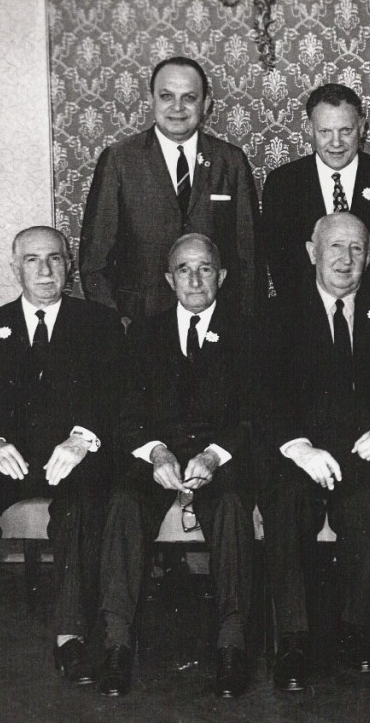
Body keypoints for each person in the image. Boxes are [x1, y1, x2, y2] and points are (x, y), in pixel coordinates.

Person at [0, 227, 122, 690]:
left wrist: (82, 439)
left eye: (54, 258)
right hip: (10, 459)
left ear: (68, 265)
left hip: (74, 458)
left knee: (82, 509)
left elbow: (116, 394)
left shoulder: (100, 322)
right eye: (32, 260)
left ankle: (71, 637)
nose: (45, 270)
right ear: (15, 267)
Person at [97, 233, 258, 698]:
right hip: (158, 459)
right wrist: (156, 452)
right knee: (124, 501)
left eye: (205, 269)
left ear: (221, 276)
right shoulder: (143, 334)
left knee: (230, 504)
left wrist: (214, 455)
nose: (194, 279)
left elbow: (255, 414)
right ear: (169, 280)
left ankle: (232, 644)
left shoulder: (250, 332)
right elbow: (124, 413)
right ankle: (117, 644)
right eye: (183, 270)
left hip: (220, 458)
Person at [260, 213, 370, 692]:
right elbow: (262, 396)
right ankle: (293, 639)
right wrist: (300, 448)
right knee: (286, 502)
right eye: (335, 247)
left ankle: (354, 630)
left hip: (363, 451)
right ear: (311, 252)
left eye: (357, 249)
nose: (346, 259)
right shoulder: (277, 315)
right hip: (298, 453)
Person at [80, 56, 260, 321]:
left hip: (219, 322)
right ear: (151, 100)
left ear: (205, 104)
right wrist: (116, 326)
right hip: (140, 322)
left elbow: (249, 256)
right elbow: (94, 261)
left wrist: (243, 325)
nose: (177, 107)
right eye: (166, 96)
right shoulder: (120, 160)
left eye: (189, 97)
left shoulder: (230, 161)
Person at [259, 83, 370, 311]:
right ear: (310, 128)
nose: (336, 143)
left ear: (361, 127)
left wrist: (364, 311)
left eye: (345, 131)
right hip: (309, 318)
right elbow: (281, 265)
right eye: (325, 132)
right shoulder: (283, 184)